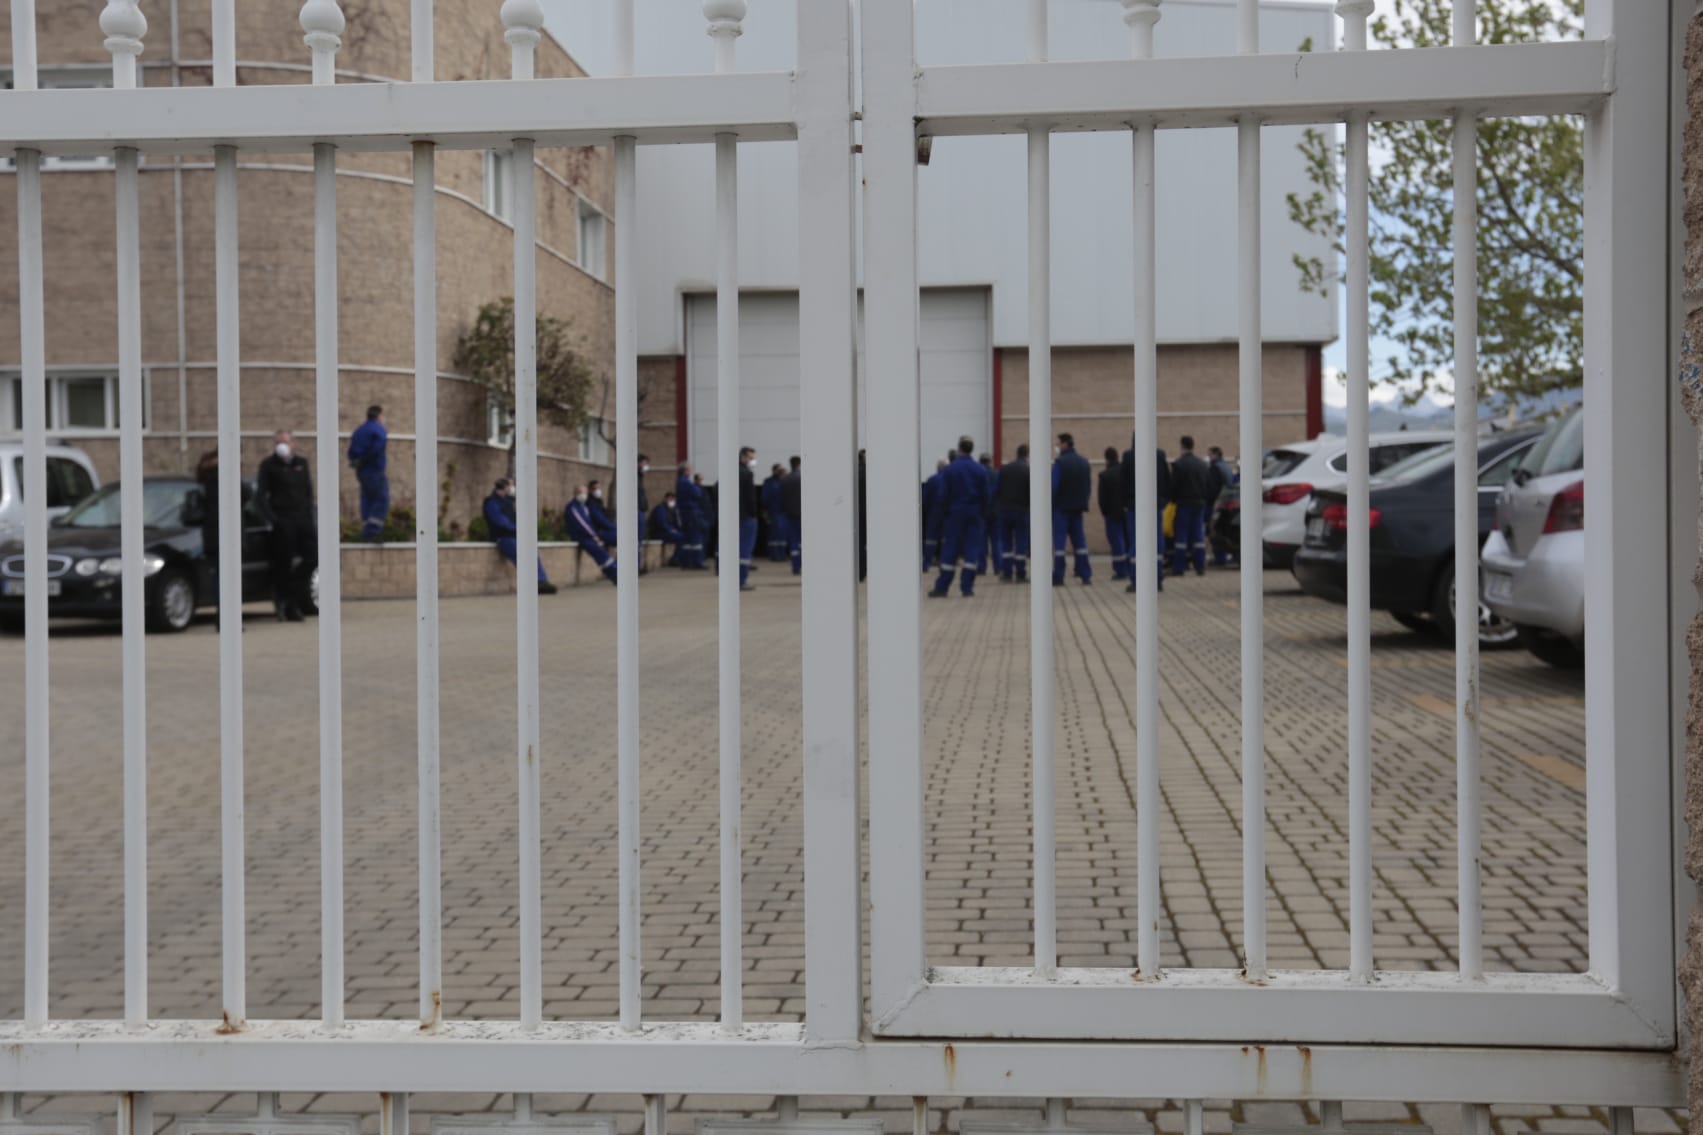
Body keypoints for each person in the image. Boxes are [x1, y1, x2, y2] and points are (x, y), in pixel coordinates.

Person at [256, 430, 320, 622]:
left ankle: (297, 594)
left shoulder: (301, 464)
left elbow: (308, 490)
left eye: (284, 442)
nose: (281, 446)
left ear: (293, 444)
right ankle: (287, 605)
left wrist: (309, 514)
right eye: (278, 442)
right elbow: (261, 496)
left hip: (303, 520)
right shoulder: (268, 465)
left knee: (312, 557)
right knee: (283, 565)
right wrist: (274, 520)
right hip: (283, 521)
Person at [928, 436, 992, 598]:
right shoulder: (980, 470)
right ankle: (967, 587)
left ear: (959, 449)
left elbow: (943, 495)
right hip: (974, 514)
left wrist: (943, 515)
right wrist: (982, 514)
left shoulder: (950, 470)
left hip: (954, 514)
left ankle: (942, 587)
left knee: (950, 549)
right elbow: (986, 495)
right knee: (972, 551)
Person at [484, 478, 556, 594]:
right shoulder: (492, 502)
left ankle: (541, 581)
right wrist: (518, 528)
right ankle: (533, 582)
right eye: (511, 485)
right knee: (520, 555)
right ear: (503, 487)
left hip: (516, 536)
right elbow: (500, 521)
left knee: (532, 553)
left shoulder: (509, 501)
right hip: (504, 537)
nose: (513, 488)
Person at [1121, 436, 1172, 593]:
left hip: (1134, 506)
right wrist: (1162, 501)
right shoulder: (1159, 455)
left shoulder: (1129, 456)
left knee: (1136, 543)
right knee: (1156, 542)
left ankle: (1137, 581)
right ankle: (1157, 580)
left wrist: (1125, 502)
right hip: (1154, 505)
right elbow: (1166, 479)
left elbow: (1123, 480)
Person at [1051, 433, 1093, 586]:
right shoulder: (1084, 462)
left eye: (1058, 443)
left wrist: (1051, 506)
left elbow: (1054, 487)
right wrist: (1083, 502)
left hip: (1061, 509)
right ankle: (1085, 575)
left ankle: (1058, 576)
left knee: (1060, 545)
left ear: (1065, 444)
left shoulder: (1060, 463)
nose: (1056, 447)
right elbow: (1088, 486)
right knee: (1080, 543)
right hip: (1078, 508)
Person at [1169, 435, 1214, 578]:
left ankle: (1179, 567)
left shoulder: (1179, 464)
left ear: (1182, 446)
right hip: (1199, 503)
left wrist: (1173, 500)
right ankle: (1200, 566)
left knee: (1181, 537)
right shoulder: (1202, 464)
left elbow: (1174, 486)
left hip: (1184, 504)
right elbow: (1208, 485)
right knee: (1198, 536)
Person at [347, 404, 389, 542]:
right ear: (379, 415)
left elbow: (352, 452)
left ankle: (366, 529)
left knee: (367, 499)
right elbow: (377, 449)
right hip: (374, 469)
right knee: (381, 499)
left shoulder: (360, 430)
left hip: (362, 471)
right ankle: (372, 531)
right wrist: (365, 460)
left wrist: (357, 462)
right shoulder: (377, 430)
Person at [563, 485, 618, 585]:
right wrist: (593, 535)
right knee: (599, 552)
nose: (583, 495)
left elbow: (599, 520)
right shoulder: (572, 507)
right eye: (581, 493)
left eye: (585, 493)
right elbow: (582, 523)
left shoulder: (585, 506)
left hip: (592, 534)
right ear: (575, 494)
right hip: (582, 536)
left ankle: (619, 569)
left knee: (614, 539)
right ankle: (615, 573)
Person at [995, 445, 1031, 582]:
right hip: (1022, 511)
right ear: (1027, 454)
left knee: (1006, 543)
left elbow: (997, 490)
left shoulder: (1005, 469)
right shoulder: (1028, 470)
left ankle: (1007, 573)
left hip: (1005, 511)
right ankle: (1021, 573)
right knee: (1021, 542)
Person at [1099, 445, 1130, 580]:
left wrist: (1105, 512)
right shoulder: (1126, 471)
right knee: (1128, 540)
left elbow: (1102, 498)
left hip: (1112, 513)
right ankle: (1130, 567)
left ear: (1106, 459)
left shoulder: (1105, 475)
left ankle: (1120, 570)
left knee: (1116, 541)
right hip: (1127, 511)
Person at [731, 446, 759, 591]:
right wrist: (754, 514)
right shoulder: (746, 474)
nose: (753, 460)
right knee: (745, 549)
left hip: (733, 516)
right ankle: (741, 580)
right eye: (751, 457)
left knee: (734, 548)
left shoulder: (729, 471)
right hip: (746, 517)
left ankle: (733, 579)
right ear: (743, 457)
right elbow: (750, 498)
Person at [1207, 445, 1236, 566]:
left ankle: (1219, 558)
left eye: (1210, 454)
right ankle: (1224, 556)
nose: (1209, 456)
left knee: (1215, 531)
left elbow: (1213, 487)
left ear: (1216, 454)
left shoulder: (1215, 467)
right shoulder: (1225, 466)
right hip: (1228, 502)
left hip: (1217, 502)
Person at [675, 463, 707, 569]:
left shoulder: (679, 481)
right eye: (689, 470)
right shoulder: (686, 482)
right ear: (685, 471)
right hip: (691, 512)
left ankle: (686, 561)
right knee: (695, 538)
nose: (690, 472)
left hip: (685, 512)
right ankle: (696, 562)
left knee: (687, 540)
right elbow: (697, 494)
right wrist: (697, 485)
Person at [921, 458, 948, 572]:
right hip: (947, 514)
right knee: (945, 540)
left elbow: (925, 498)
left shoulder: (932, 479)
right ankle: (943, 563)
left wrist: (925, 511)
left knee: (930, 540)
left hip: (933, 513)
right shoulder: (950, 480)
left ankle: (926, 564)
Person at [978, 453, 1001, 576]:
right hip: (996, 512)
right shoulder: (997, 474)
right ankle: (998, 567)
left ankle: (982, 567)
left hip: (982, 513)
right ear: (990, 461)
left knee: (981, 541)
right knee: (996, 541)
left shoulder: (978, 474)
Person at [648, 491, 684, 566]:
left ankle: (679, 558)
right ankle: (675, 559)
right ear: (665, 499)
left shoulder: (672, 510)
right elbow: (662, 524)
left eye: (673, 500)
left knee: (683, 536)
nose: (672, 502)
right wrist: (671, 530)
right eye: (670, 499)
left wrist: (676, 529)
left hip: (667, 531)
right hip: (659, 533)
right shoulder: (660, 509)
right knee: (681, 538)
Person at [763, 462, 788, 562]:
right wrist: (766, 511)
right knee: (774, 534)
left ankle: (782, 554)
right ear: (774, 471)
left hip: (784, 512)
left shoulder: (784, 481)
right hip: (773, 512)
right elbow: (765, 498)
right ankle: (774, 555)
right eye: (778, 469)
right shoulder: (769, 482)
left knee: (782, 534)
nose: (780, 471)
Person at [782, 455, 802, 574]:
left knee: (794, 542)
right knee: (804, 542)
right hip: (803, 516)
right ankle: (805, 565)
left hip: (789, 515)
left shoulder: (785, 479)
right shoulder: (804, 478)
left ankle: (796, 567)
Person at [586, 479, 620, 545]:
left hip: (604, 530)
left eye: (598, 488)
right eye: (594, 489)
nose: (597, 491)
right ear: (589, 490)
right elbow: (600, 519)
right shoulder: (591, 503)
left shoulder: (598, 502)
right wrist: (614, 527)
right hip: (597, 532)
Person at [856, 449, 868, 582]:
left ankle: (860, 572)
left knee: (859, 543)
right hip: (869, 513)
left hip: (858, 513)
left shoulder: (854, 474)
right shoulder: (870, 473)